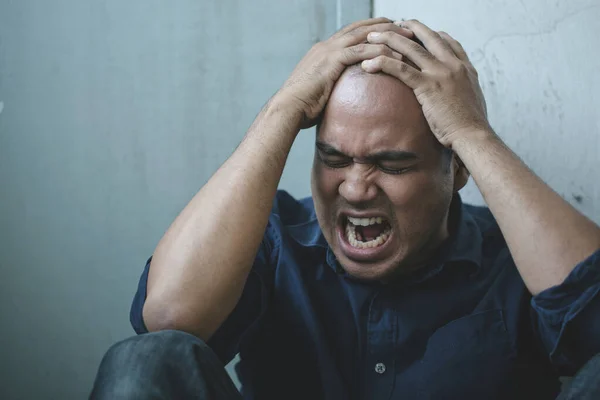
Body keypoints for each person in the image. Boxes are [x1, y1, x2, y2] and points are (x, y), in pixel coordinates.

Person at [91, 18, 600, 399]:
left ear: (458, 169)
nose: (355, 189)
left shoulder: (520, 259)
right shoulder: (274, 239)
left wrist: (472, 134)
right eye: (333, 158)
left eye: (393, 165)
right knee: (143, 361)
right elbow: (168, 323)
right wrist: (283, 110)